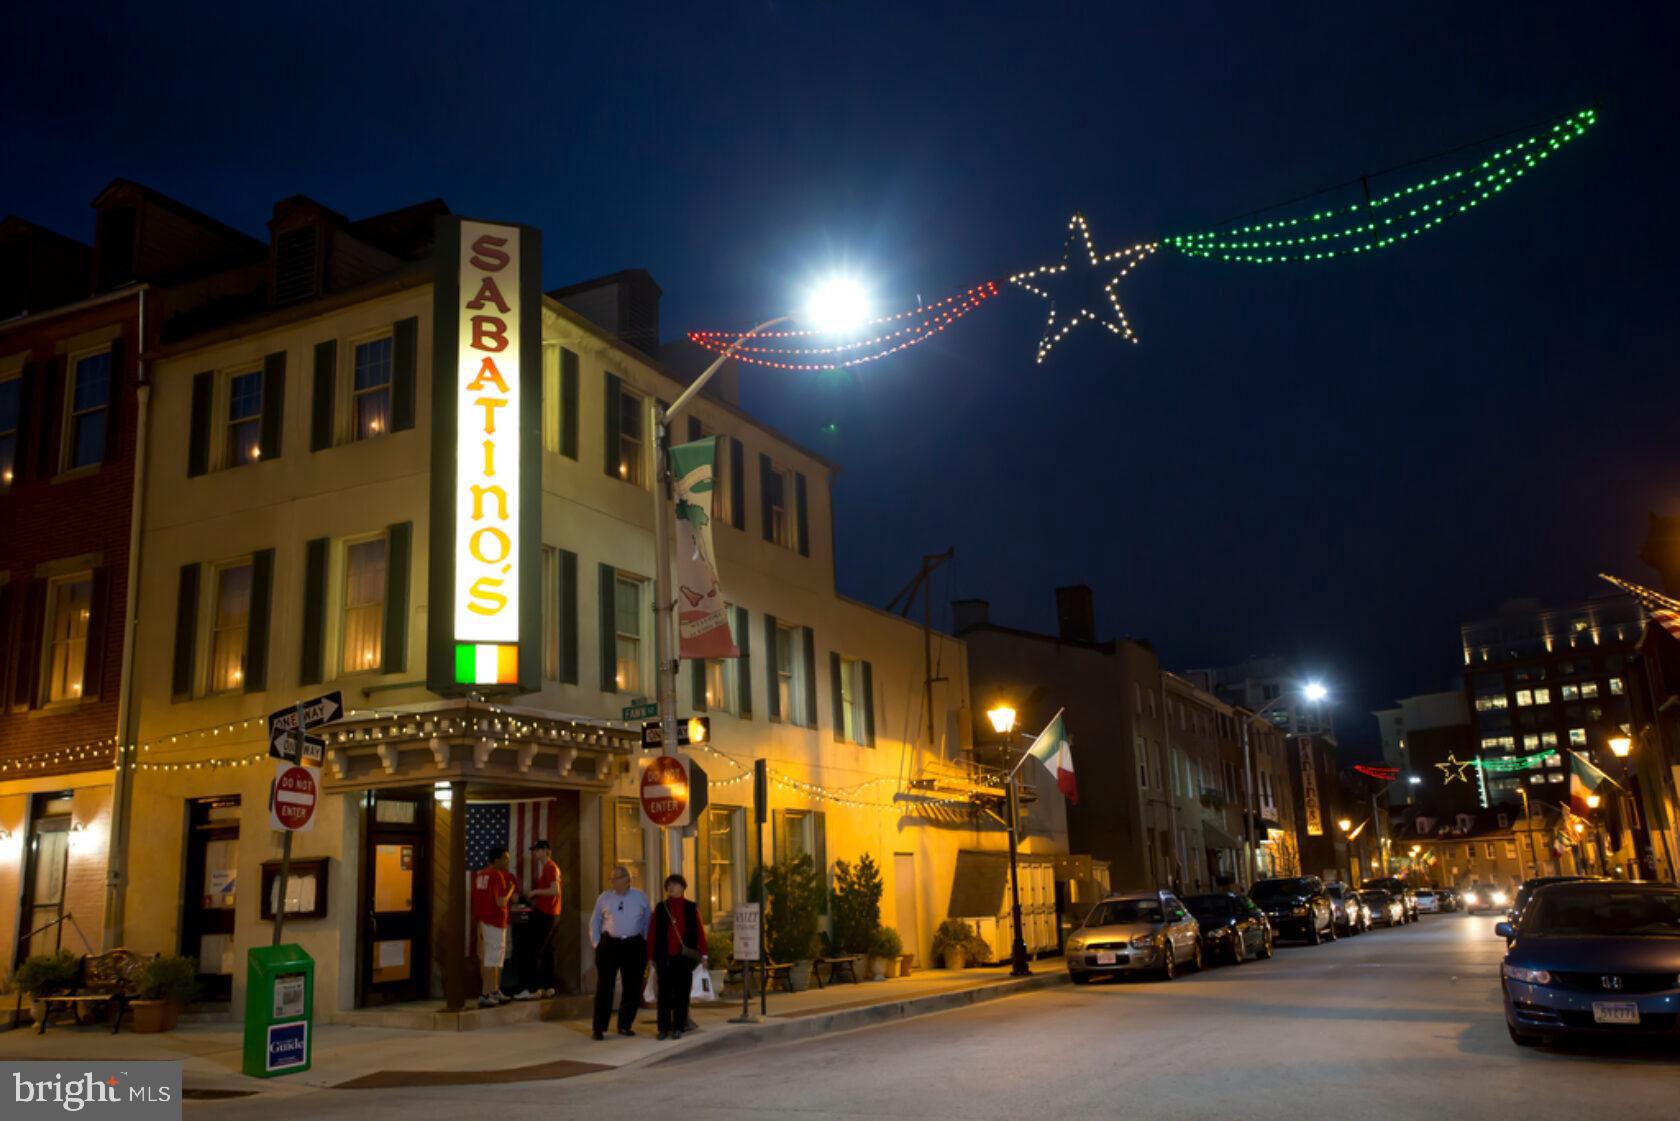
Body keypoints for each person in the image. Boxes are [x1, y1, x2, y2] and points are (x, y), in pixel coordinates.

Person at [588, 865, 651, 1040]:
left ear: (627, 879)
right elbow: (595, 921)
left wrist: (645, 942)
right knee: (604, 987)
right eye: (611, 878)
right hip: (610, 945)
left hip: (634, 945)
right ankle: (599, 1028)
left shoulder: (640, 897)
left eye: (616, 878)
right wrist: (596, 944)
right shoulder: (604, 897)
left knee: (632, 986)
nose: (613, 881)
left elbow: (648, 921)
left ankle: (624, 1024)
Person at [647, 872, 707, 1041]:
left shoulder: (691, 907)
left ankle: (679, 1027)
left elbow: (700, 931)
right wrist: (650, 956)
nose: (671, 888)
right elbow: (652, 932)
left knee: (682, 993)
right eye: (669, 885)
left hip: (684, 958)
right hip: (664, 957)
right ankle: (663, 1028)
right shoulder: (661, 907)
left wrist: (704, 954)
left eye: (675, 884)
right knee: (664, 994)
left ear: (682, 888)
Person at [513, 840, 561, 1001]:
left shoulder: (549, 867)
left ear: (545, 850)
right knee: (547, 951)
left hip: (545, 914)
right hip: (552, 914)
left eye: (537, 850)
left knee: (531, 950)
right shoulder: (551, 867)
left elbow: (554, 890)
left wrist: (535, 892)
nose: (534, 853)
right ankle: (548, 986)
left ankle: (532, 988)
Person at [471, 846, 518, 1008]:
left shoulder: (480, 875)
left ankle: (494, 990)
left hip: (484, 921)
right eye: (505, 858)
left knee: (495, 958)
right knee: (491, 959)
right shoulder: (496, 875)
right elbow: (501, 902)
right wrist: (511, 889)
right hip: (495, 921)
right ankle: (485, 994)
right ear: (496, 859)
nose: (507, 862)